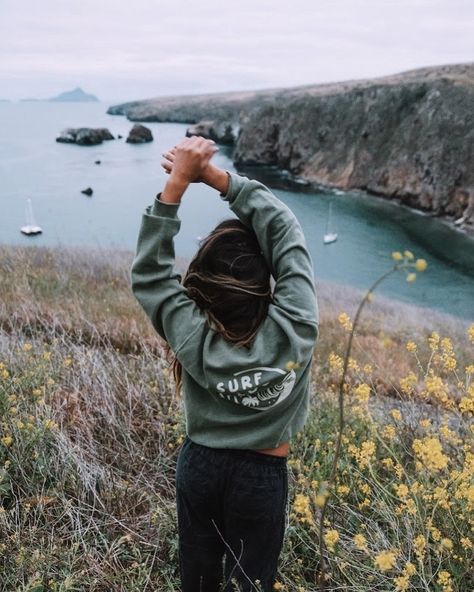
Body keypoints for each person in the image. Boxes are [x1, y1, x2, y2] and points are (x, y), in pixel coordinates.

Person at [131, 136, 319, 591]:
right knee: (251, 583)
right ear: (267, 281)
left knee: (197, 578)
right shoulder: (296, 324)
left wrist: (177, 185)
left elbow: (151, 276)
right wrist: (215, 177)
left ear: (201, 283)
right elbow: (285, 231)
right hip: (262, 476)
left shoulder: (193, 333)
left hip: (200, 467)